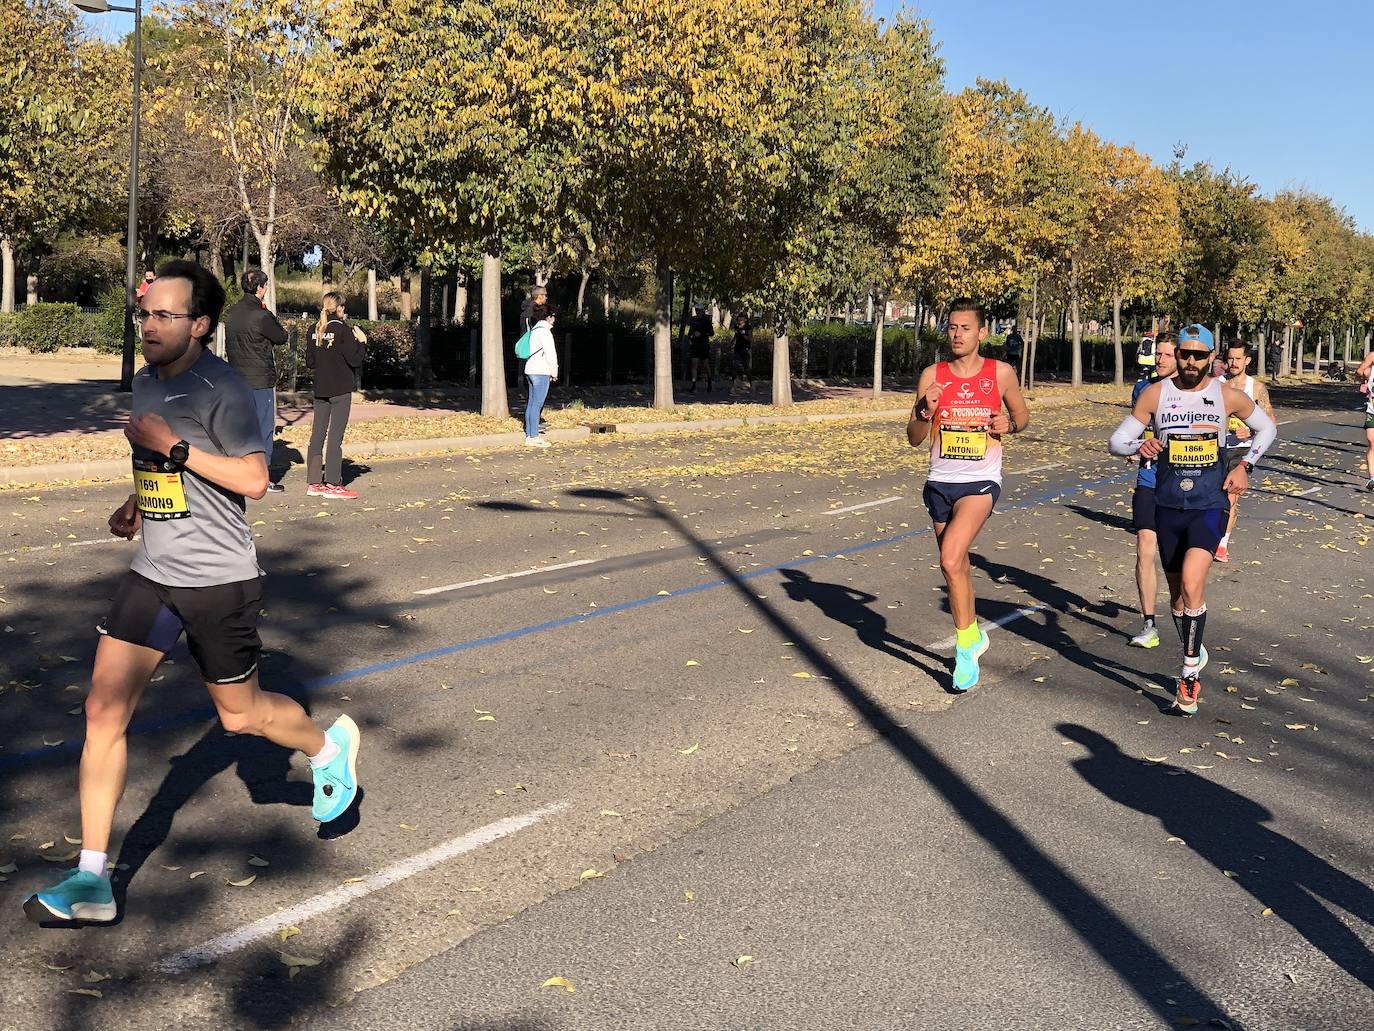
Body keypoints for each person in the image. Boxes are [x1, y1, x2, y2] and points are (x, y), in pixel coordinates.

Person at [23, 261, 361, 926]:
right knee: (102, 710)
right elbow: (161, 466)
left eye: (164, 316)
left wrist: (172, 446)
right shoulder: (148, 378)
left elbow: (253, 479)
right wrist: (136, 505)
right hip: (154, 573)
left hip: (218, 582)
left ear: (199, 325)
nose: (149, 324)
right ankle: (93, 880)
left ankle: (326, 748)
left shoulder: (225, 389)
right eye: (145, 313)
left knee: (241, 718)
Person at [1109, 324, 1277, 715]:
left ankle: (1187, 676)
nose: (1189, 361)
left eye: (1199, 355)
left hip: (1209, 503)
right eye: (1185, 353)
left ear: (1211, 358)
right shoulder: (1155, 394)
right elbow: (1117, 442)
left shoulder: (1226, 395)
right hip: (1167, 504)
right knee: (1178, 598)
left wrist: (1246, 467)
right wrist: (1141, 444)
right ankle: (1193, 648)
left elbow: (1266, 428)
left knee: (1191, 580)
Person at [907, 298, 1030, 692]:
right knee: (954, 568)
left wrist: (1007, 424)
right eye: (952, 327)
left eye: (965, 328)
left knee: (950, 556)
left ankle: (964, 651)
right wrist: (926, 411)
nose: (957, 334)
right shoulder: (933, 374)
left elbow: (1023, 417)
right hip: (940, 482)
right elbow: (913, 438)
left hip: (980, 480)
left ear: (981, 333)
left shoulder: (1001, 373)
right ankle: (974, 634)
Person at [1127, 332, 1177, 648]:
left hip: (1182, 485)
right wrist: (1134, 446)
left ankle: (1188, 621)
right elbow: (1133, 430)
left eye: (1166, 355)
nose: (1159, 359)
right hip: (1148, 480)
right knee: (1145, 545)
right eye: (1157, 354)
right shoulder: (1142, 389)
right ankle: (1149, 624)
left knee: (1176, 564)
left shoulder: (1194, 394)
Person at [224, 269, 289, 492]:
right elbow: (281, 337)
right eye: (265, 286)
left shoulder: (232, 313)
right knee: (263, 428)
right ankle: (263, 476)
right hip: (260, 378)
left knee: (241, 428)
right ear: (261, 288)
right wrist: (268, 312)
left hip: (237, 379)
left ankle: (238, 473)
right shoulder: (261, 315)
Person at [1218, 341, 1275, 562]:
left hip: (1241, 450)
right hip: (1217, 447)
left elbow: (1270, 423)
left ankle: (1222, 543)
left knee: (1231, 496)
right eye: (1230, 358)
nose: (1233, 363)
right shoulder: (1217, 384)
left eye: (1238, 359)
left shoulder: (1257, 389)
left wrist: (1250, 432)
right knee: (1213, 495)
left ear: (1247, 361)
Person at [306, 291, 366, 499]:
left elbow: (310, 362)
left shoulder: (313, 329)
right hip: (340, 390)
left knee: (317, 436)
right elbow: (355, 360)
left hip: (320, 389)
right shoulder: (343, 330)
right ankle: (332, 483)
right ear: (339, 308)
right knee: (334, 437)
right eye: (344, 307)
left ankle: (314, 482)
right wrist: (362, 342)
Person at [523, 302, 558, 448]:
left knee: (531, 403)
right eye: (554, 316)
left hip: (530, 369)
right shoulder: (545, 332)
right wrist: (554, 372)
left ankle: (530, 434)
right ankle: (534, 437)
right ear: (548, 317)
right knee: (537, 404)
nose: (555, 319)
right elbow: (551, 354)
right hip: (541, 371)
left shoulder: (534, 330)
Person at [1357, 349, 1374, 491]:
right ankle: (1372, 478)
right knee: (1371, 441)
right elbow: (1360, 370)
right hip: (1372, 408)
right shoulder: (1373, 356)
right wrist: (1366, 375)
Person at [687, 305, 713, 394]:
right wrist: (690, 337)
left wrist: (701, 333)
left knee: (705, 364)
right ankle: (694, 385)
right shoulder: (693, 319)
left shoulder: (706, 320)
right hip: (695, 345)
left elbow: (711, 333)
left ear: (703, 311)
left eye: (700, 310)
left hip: (704, 345)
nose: (698, 312)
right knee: (694, 364)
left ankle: (709, 382)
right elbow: (690, 331)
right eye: (697, 310)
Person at [731, 314, 754, 393]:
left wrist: (743, 334)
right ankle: (735, 386)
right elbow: (735, 336)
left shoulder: (748, 327)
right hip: (737, 349)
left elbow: (750, 338)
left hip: (746, 349)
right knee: (735, 367)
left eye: (741, 319)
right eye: (738, 320)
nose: (740, 321)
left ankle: (751, 384)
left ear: (745, 320)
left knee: (747, 368)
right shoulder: (737, 328)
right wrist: (732, 342)